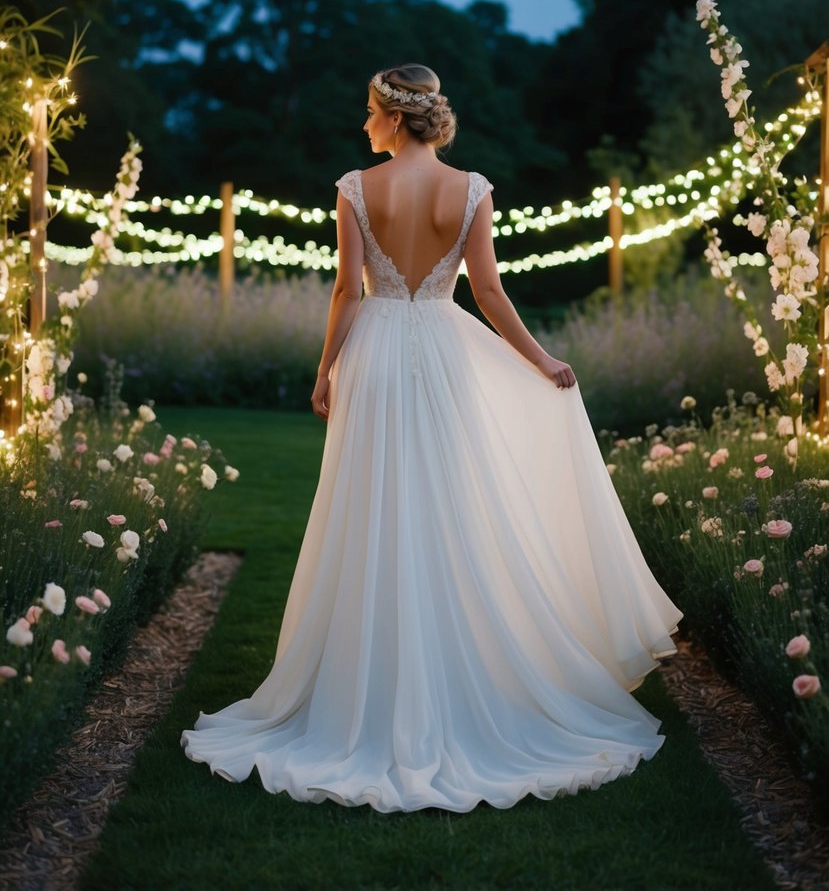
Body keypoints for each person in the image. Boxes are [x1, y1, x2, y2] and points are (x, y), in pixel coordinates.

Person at [180, 63, 682, 813]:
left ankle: (369, 683)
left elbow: (347, 289)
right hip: (445, 355)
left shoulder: (356, 187)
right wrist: (542, 362)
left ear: (390, 115)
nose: (361, 124)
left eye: (367, 111)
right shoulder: (471, 188)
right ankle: (458, 674)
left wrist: (325, 370)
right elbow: (487, 293)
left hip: (375, 357)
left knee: (371, 511)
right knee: (452, 510)